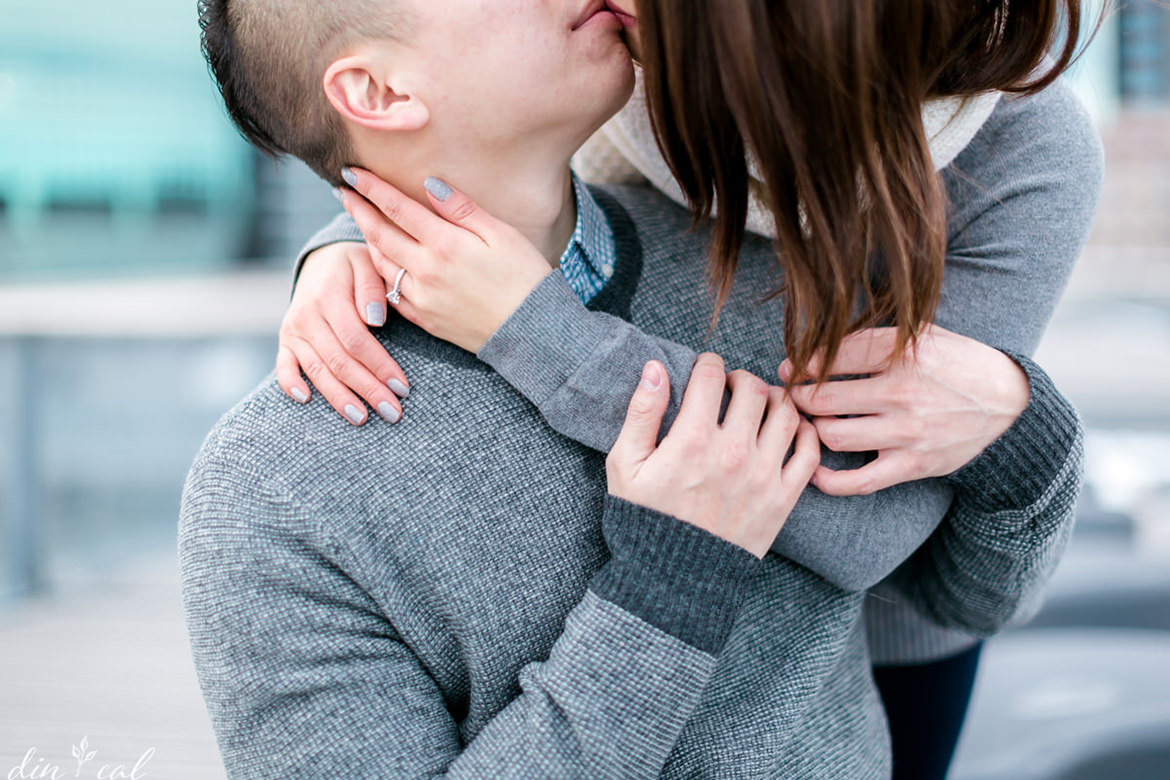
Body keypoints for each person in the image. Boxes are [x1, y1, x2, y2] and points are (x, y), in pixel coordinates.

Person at [182, 1, 1094, 779]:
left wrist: (1022, 427)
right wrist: (351, 238)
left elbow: (885, 537)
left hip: (921, 620)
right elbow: (431, 134)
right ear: (376, 93)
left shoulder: (767, 267)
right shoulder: (273, 494)